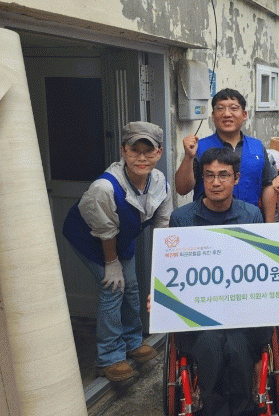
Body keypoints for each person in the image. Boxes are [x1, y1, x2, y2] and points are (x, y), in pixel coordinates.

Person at [63, 121, 172, 381]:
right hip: (90, 238)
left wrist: (166, 269)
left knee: (131, 286)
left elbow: (163, 227)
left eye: (149, 151)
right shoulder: (105, 188)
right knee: (113, 289)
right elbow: (105, 232)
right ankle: (109, 357)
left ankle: (133, 342)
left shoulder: (159, 182)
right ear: (123, 151)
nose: (142, 158)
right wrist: (111, 263)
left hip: (120, 237)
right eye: (135, 150)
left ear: (159, 152)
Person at [169, 147, 272, 416]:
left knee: (237, 347)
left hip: (240, 311)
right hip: (199, 313)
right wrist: (159, 296)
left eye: (223, 175)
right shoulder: (181, 219)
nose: (216, 182)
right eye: (209, 175)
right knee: (210, 344)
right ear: (202, 178)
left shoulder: (251, 215)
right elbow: (172, 271)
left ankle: (242, 409)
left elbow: (259, 267)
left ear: (236, 178)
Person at [174, 88, 279, 222]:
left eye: (234, 108)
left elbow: (268, 185)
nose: (227, 114)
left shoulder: (257, 147)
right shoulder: (199, 147)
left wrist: (269, 225)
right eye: (220, 108)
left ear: (244, 114)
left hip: (249, 222)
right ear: (213, 116)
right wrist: (188, 157)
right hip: (207, 223)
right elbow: (182, 189)